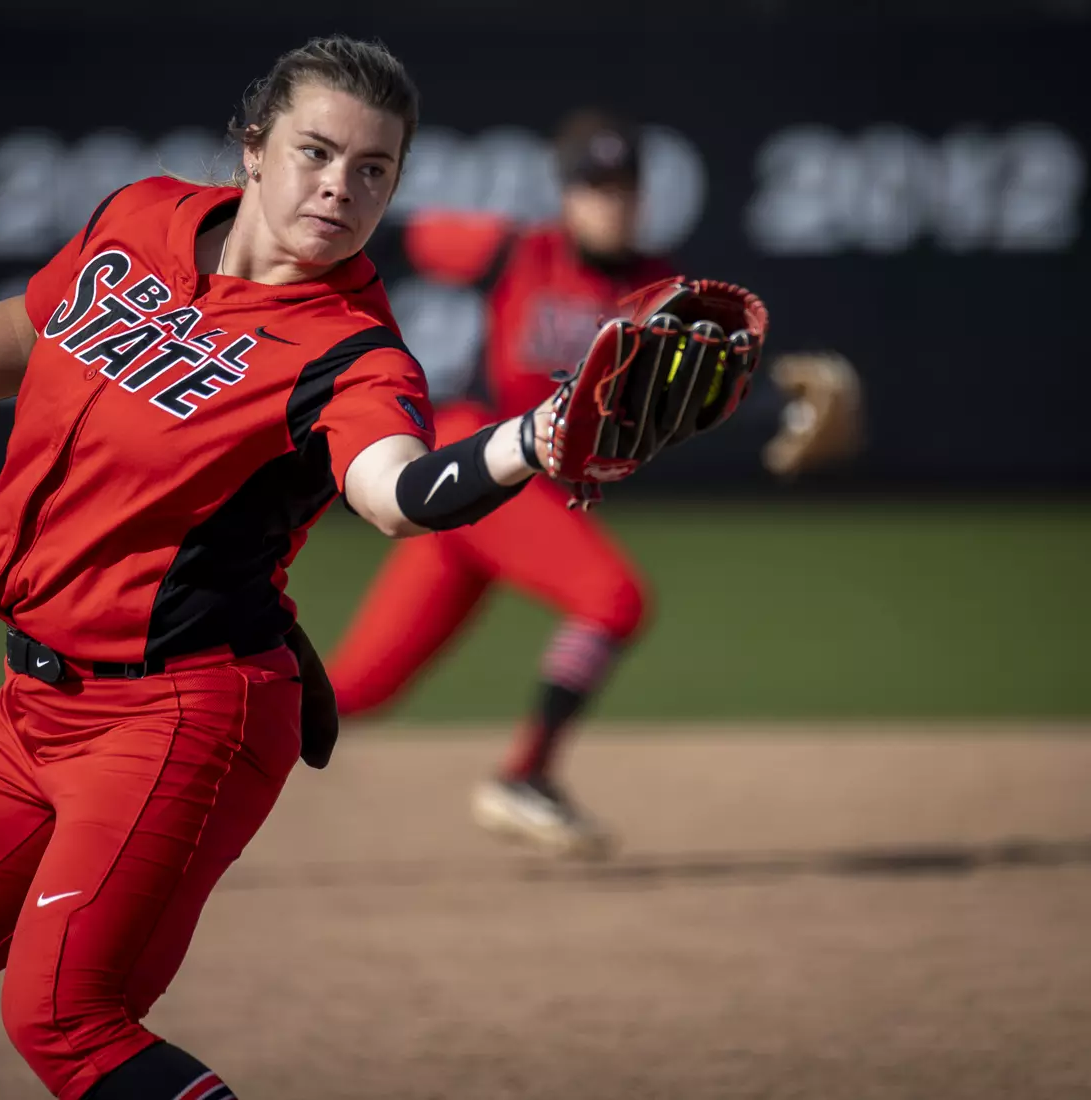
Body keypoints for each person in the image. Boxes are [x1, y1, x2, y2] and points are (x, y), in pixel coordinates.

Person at [0, 36, 587, 1100]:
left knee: (65, 1020)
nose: (341, 185)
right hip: (29, 705)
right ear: (251, 147)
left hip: (184, 711)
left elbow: (400, 493)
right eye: (316, 151)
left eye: (373, 168)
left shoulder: (352, 352)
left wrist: (536, 436)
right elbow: (39, 324)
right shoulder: (142, 215)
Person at [325, 108, 861, 858]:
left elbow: (704, 389)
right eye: (593, 186)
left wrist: (782, 407)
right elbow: (388, 237)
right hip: (472, 454)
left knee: (355, 694)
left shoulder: (660, 295)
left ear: (642, 196)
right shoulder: (515, 250)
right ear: (567, 193)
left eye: (620, 187)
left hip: (517, 495)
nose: (607, 202)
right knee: (614, 598)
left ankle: (177, 722)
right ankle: (525, 776)